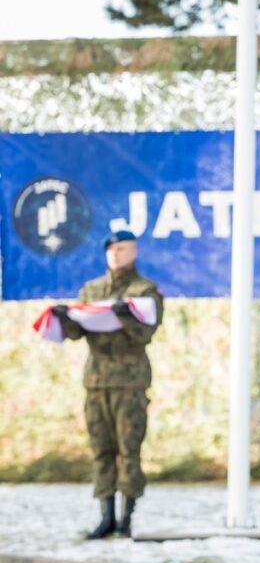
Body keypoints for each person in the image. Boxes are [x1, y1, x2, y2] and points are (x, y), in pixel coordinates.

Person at [52, 230, 163, 539]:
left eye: (122, 248)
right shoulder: (92, 290)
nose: (115, 253)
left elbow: (145, 333)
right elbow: (76, 333)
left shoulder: (145, 291)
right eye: (111, 248)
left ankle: (126, 517)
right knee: (101, 448)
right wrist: (65, 318)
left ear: (134, 252)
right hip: (97, 381)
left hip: (130, 381)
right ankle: (105, 516)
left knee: (129, 448)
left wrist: (125, 314)